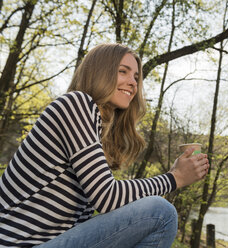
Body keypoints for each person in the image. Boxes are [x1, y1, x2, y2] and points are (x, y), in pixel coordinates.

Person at [0, 43, 210, 247]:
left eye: (136, 77)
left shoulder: (96, 130)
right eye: (123, 72)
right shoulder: (75, 104)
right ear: (99, 72)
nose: (133, 83)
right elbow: (107, 196)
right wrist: (175, 178)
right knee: (160, 213)